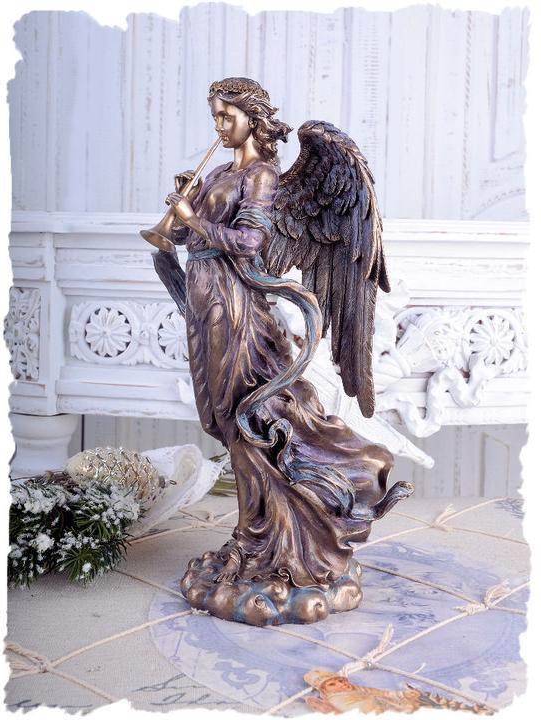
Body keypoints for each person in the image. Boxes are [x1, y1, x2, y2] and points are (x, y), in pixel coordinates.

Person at [163, 77, 400, 593]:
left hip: (234, 305)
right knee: (219, 415)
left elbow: (248, 242)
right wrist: (185, 210)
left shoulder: (262, 176)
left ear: (252, 120)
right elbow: (182, 238)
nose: (219, 126)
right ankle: (256, 530)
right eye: (215, 116)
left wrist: (194, 220)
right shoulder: (220, 173)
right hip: (203, 301)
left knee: (244, 416)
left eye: (227, 116)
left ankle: (264, 536)